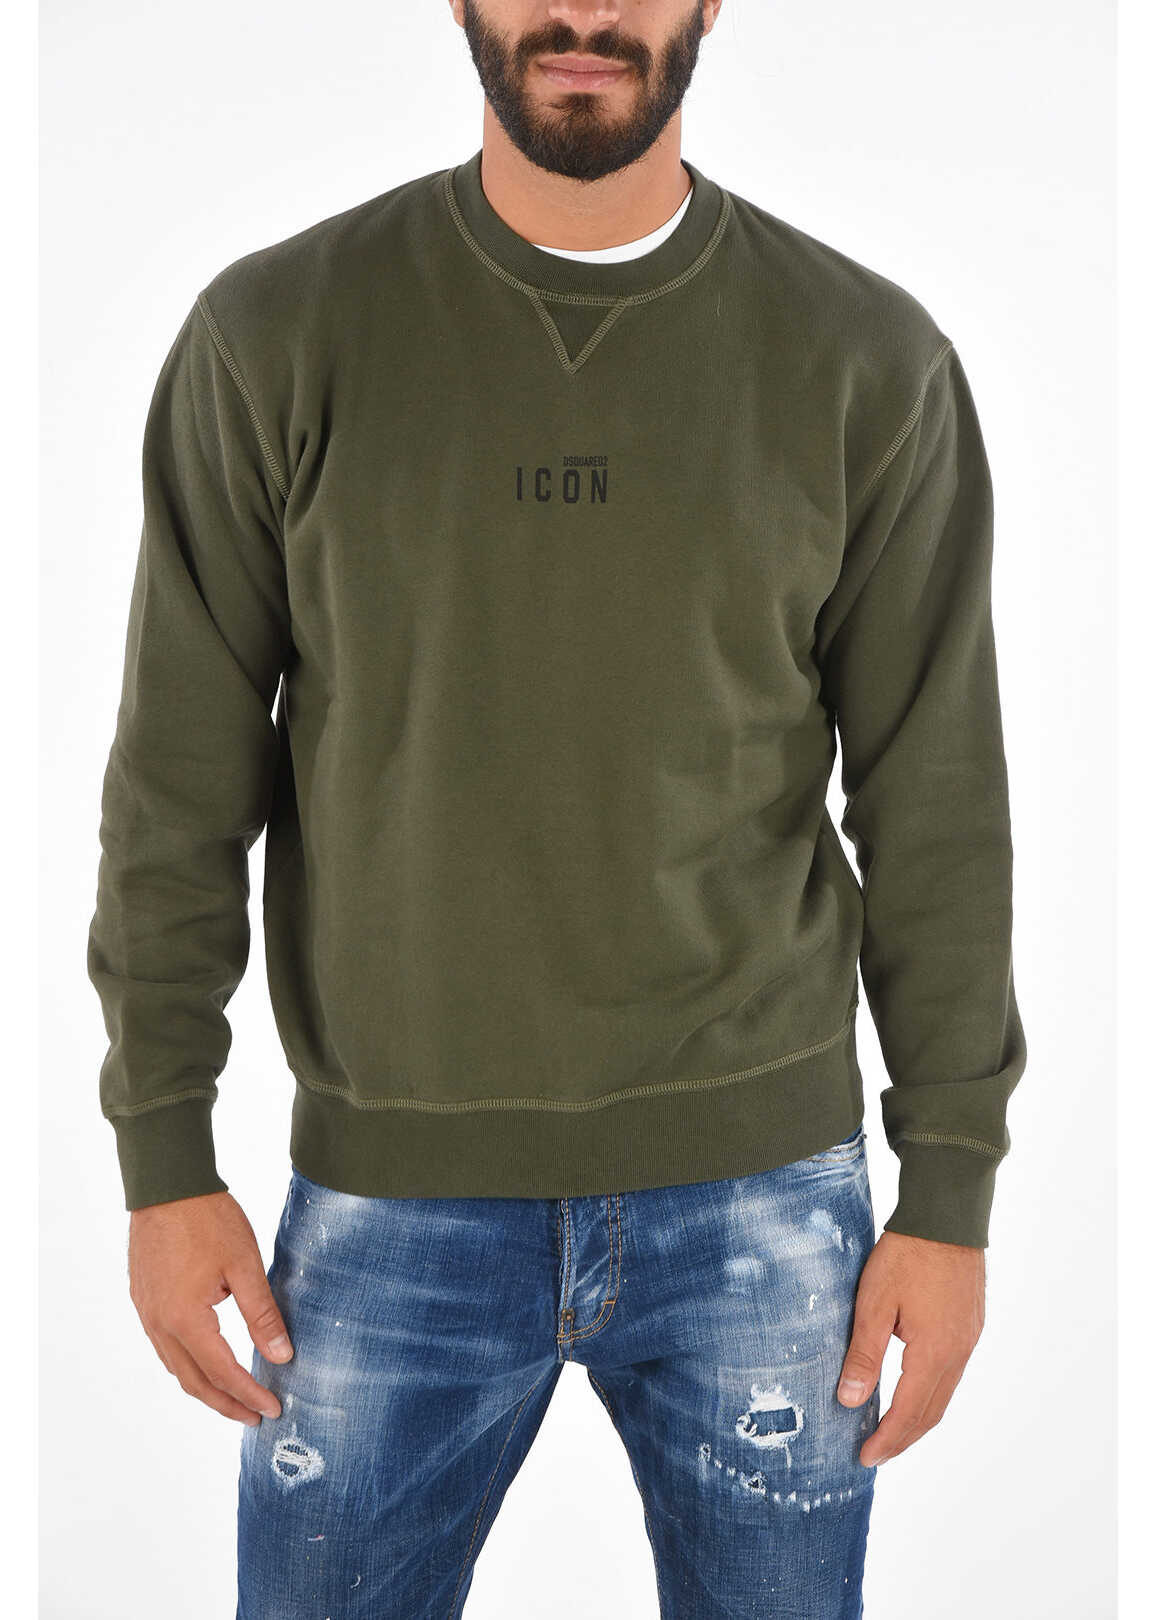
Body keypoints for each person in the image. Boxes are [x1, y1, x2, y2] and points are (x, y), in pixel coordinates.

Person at [86, 3, 1028, 1615]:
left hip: (764, 1200)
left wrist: (949, 1189)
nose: (584, 12)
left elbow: (932, 801)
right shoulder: (278, 334)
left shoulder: (864, 362)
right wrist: (163, 1156)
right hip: (389, 1200)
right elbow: (179, 780)